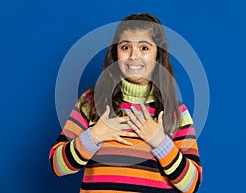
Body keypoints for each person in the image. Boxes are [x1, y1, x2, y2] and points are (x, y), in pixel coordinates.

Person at [49, 13, 202, 192]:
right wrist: (94, 135)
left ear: (158, 55)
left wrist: (161, 142)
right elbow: (58, 166)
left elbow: (191, 185)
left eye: (144, 48)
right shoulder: (91, 101)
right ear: (116, 53)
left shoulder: (176, 112)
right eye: (125, 47)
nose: (133, 55)